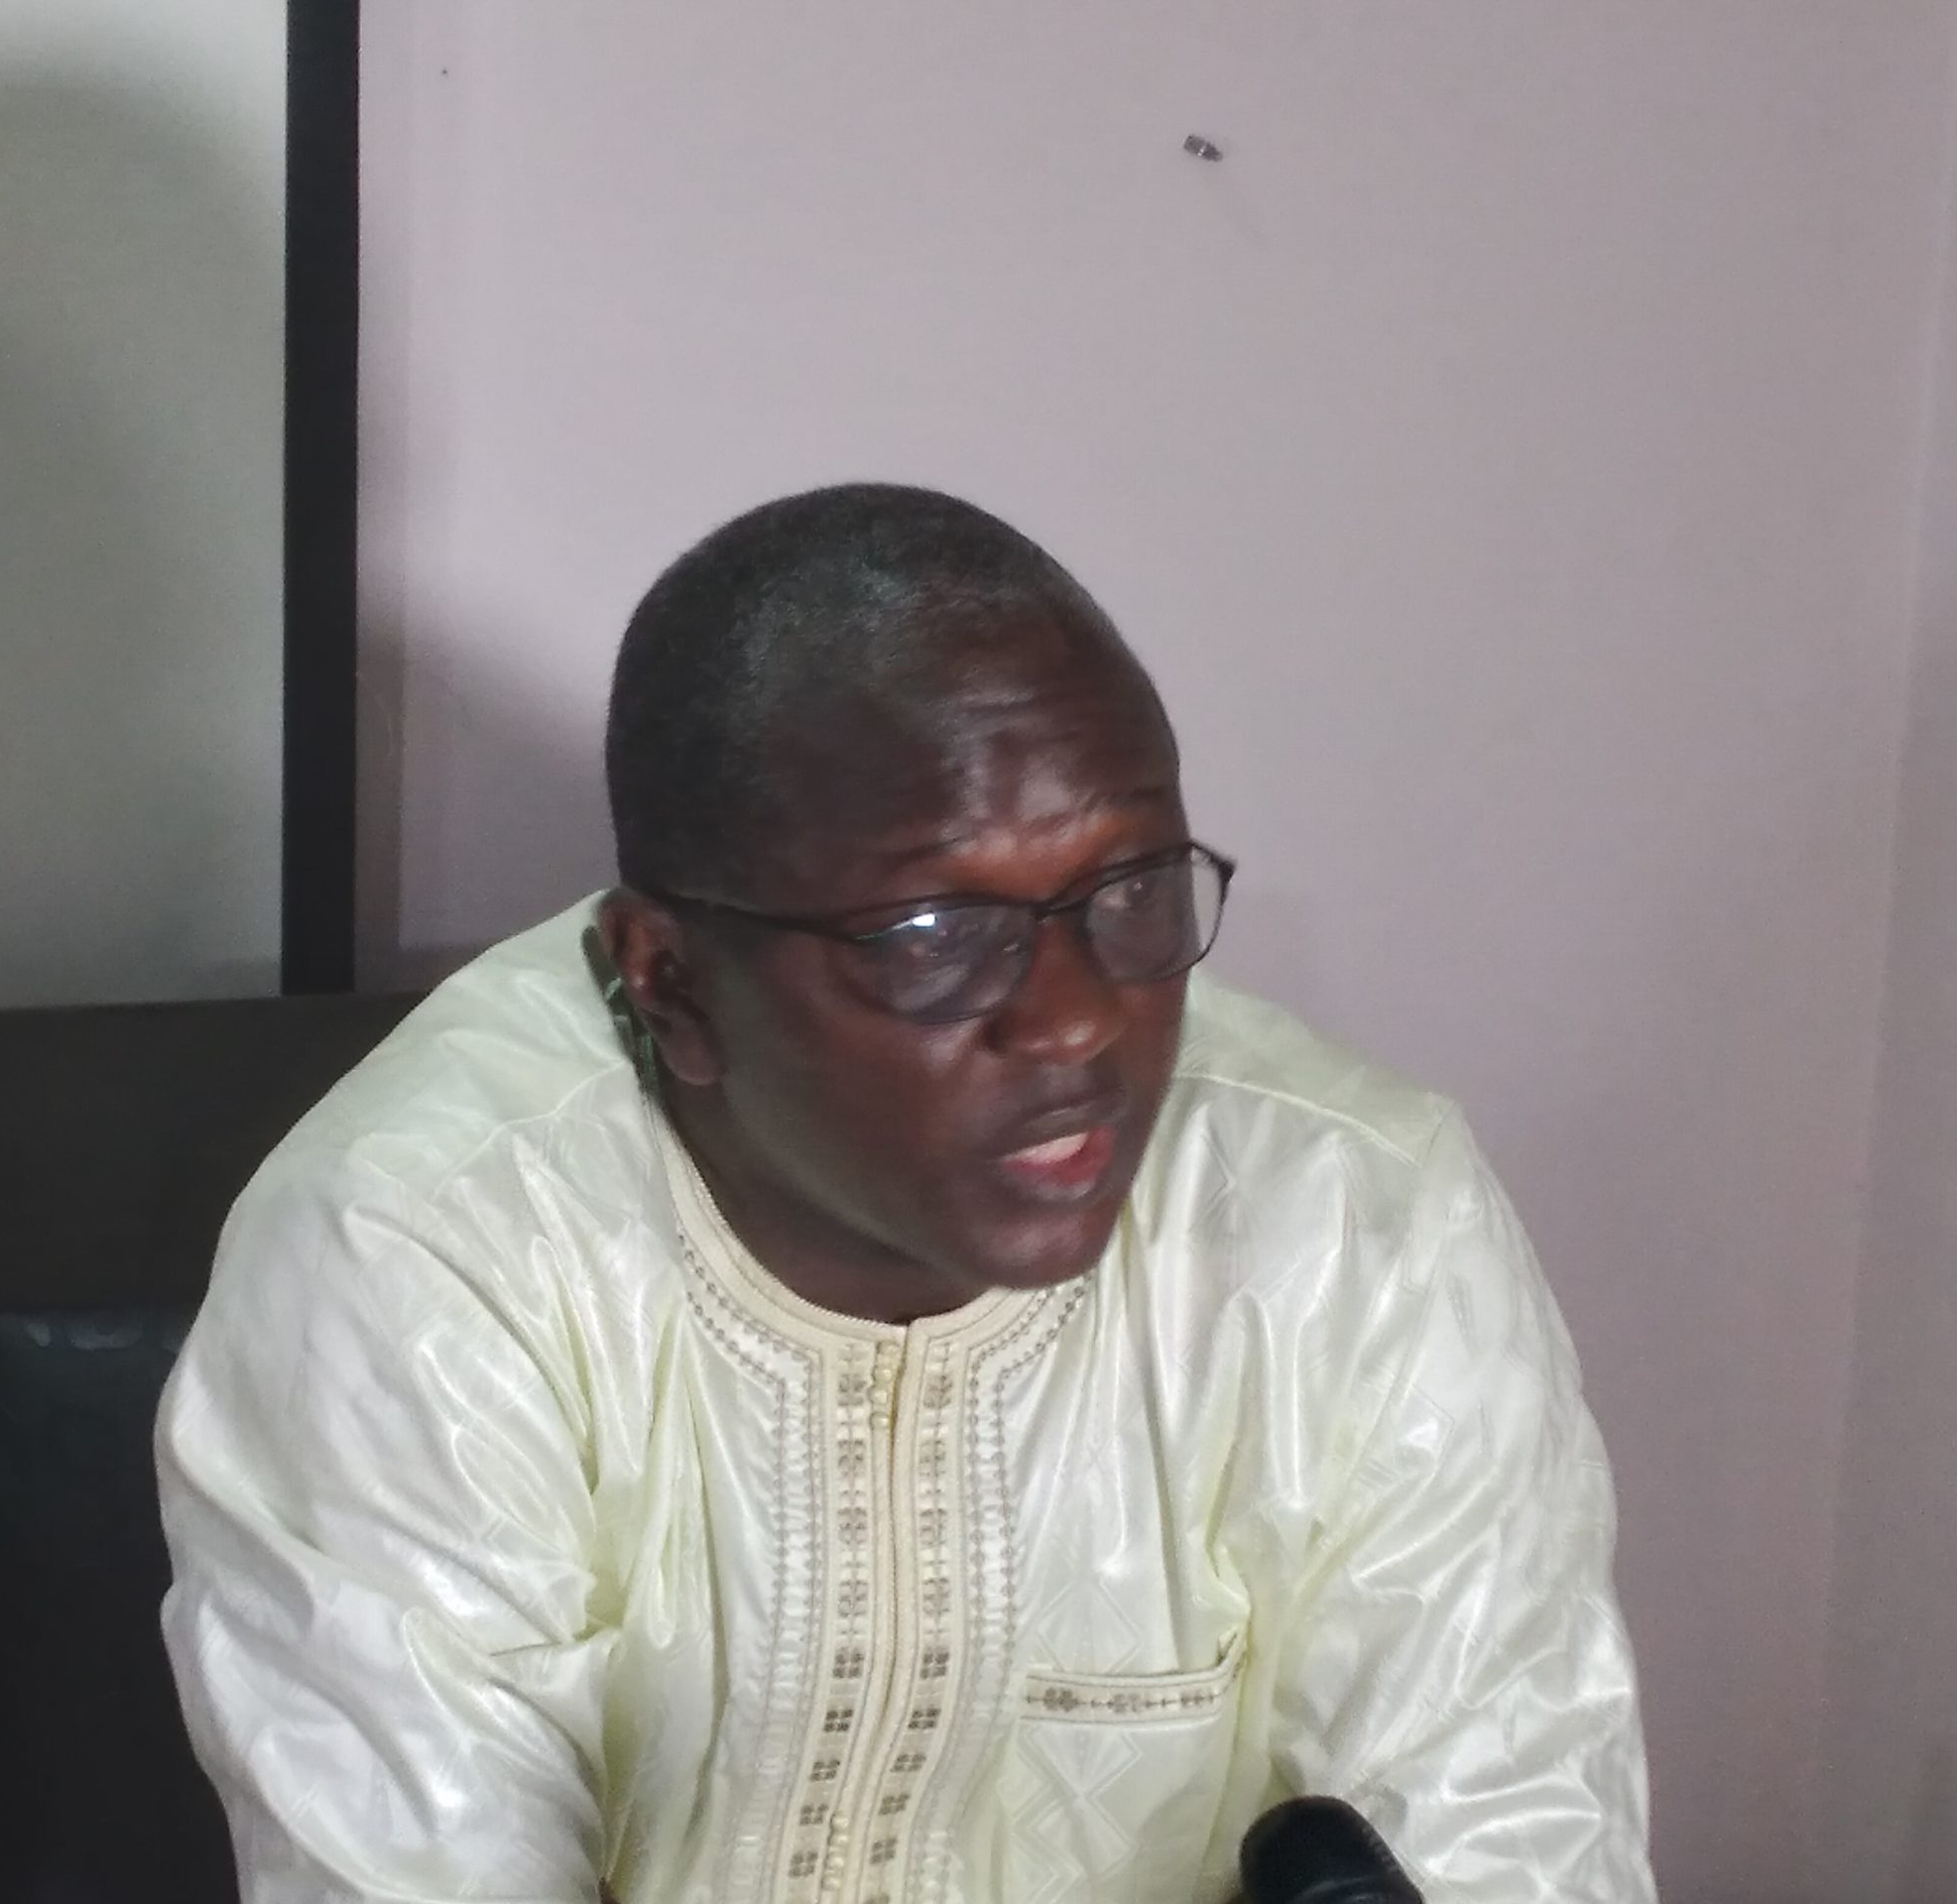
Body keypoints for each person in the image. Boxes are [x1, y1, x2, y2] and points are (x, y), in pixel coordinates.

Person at [157, 485, 1654, 1903]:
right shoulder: (424, 1256)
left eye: (1130, 889)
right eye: (936, 933)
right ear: (670, 982)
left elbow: (1506, 1839)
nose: (1074, 1022)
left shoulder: (1358, 1228)